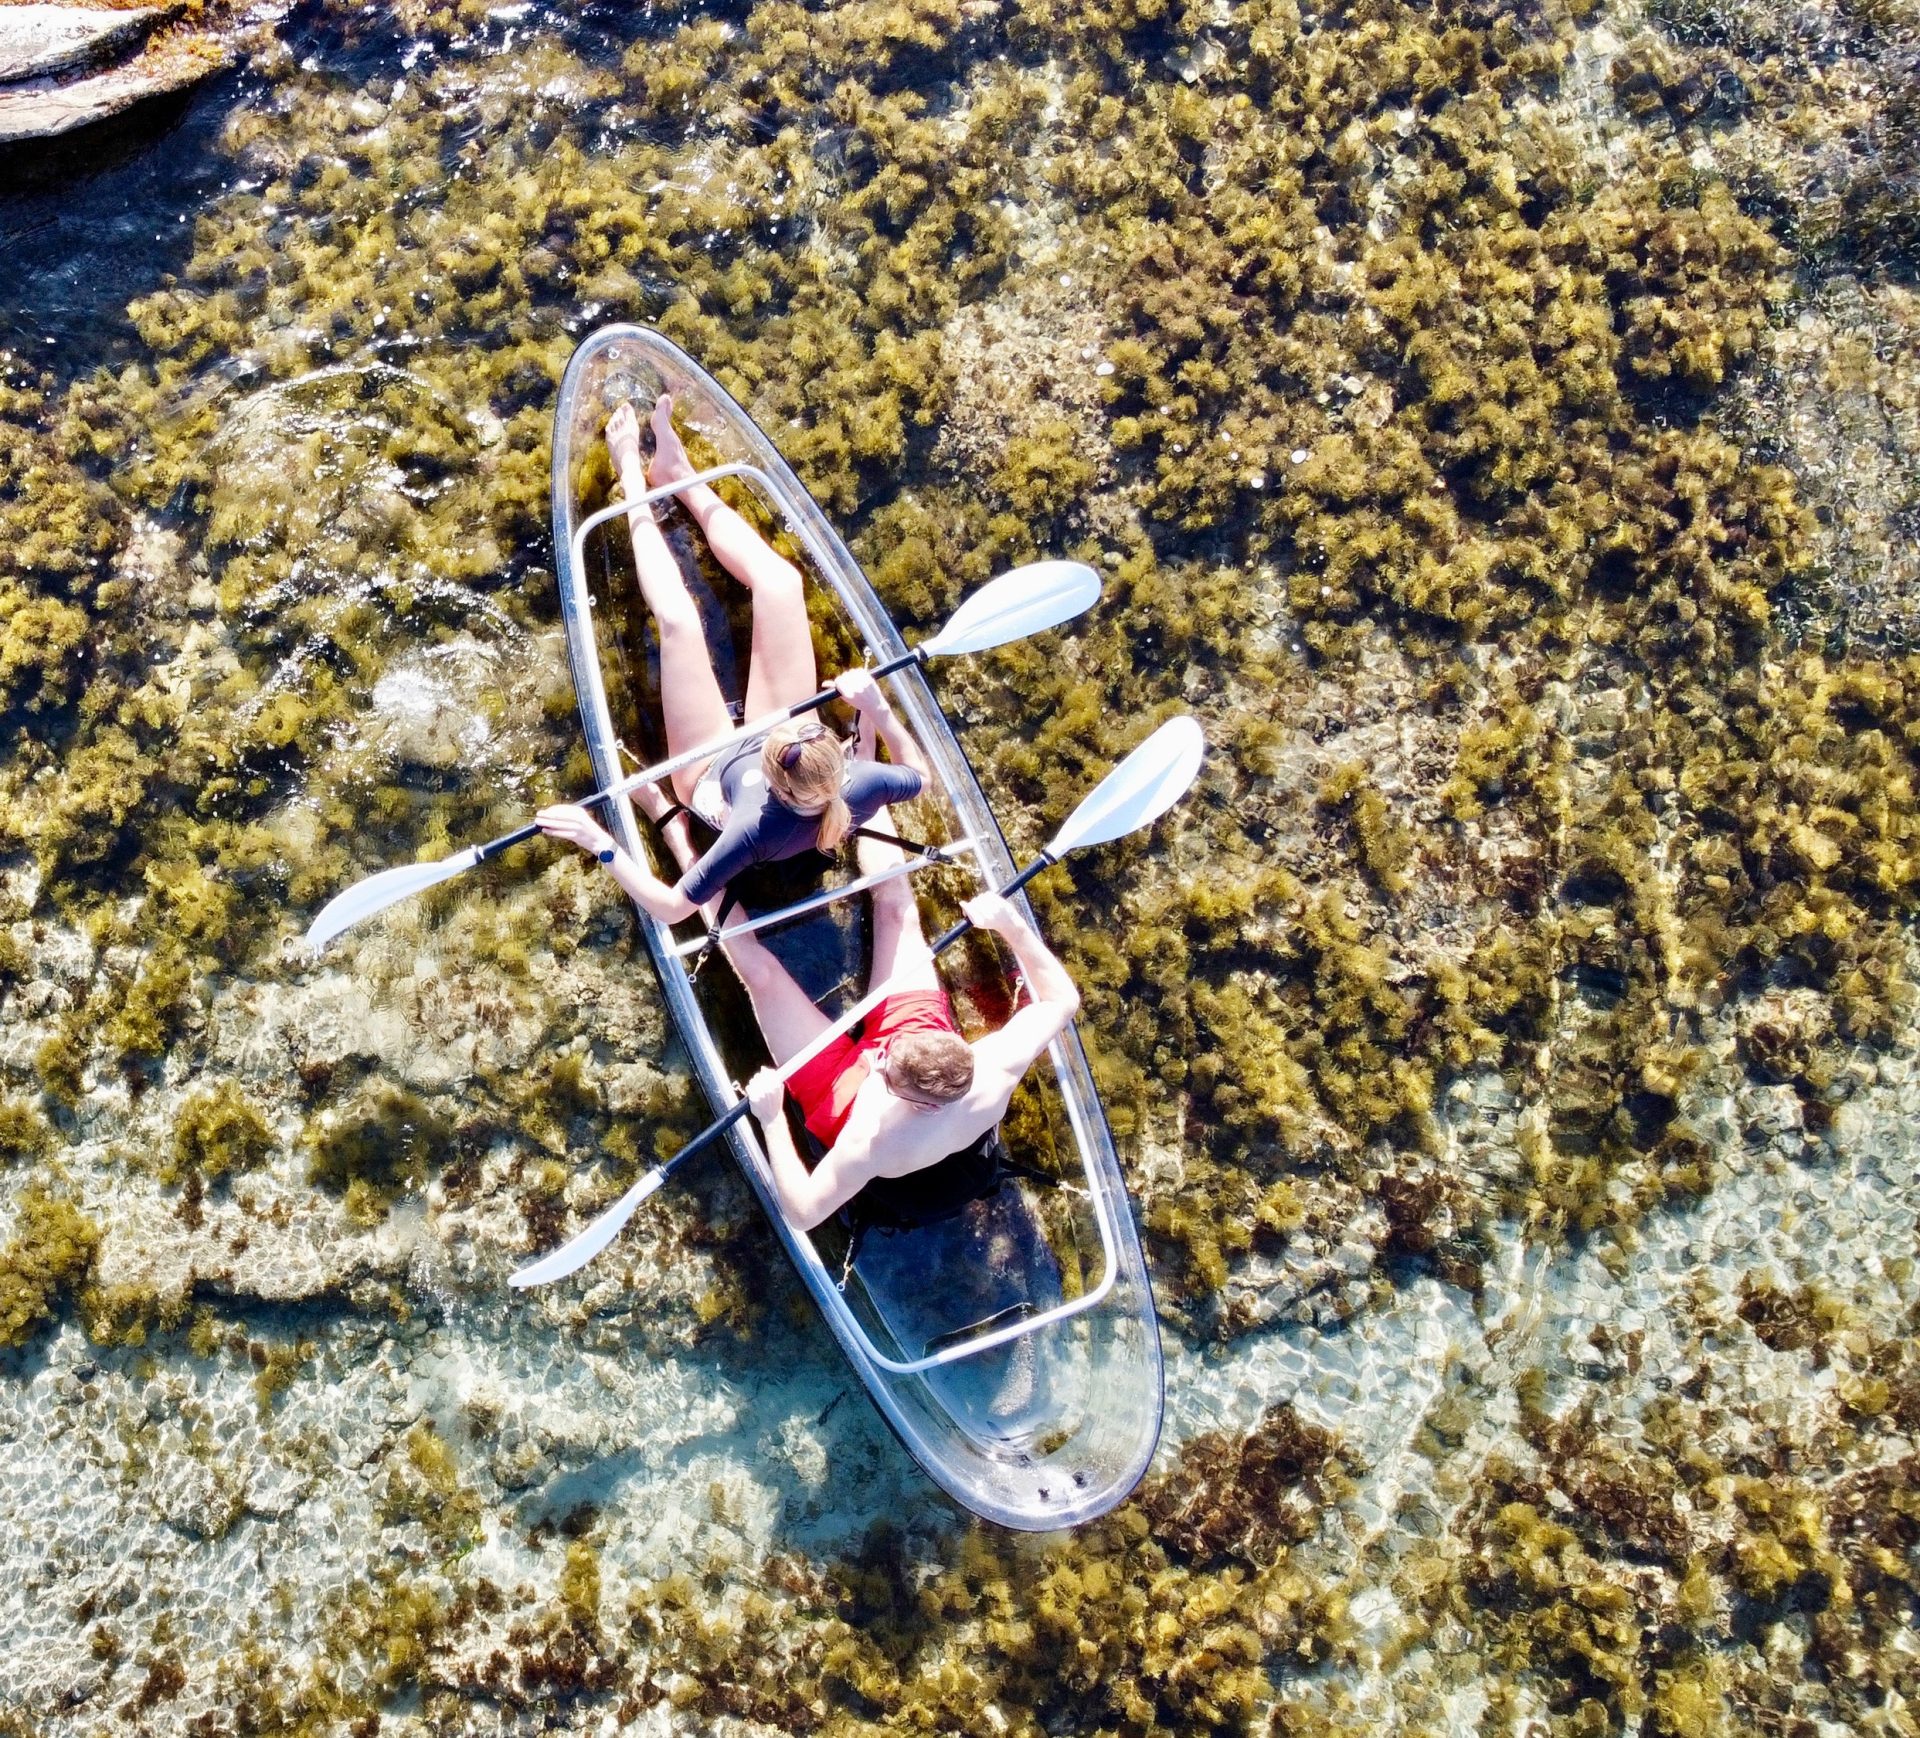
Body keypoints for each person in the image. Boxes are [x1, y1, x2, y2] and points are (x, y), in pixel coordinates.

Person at [537, 394, 929, 917]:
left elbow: (673, 907)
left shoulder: (752, 828)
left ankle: (631, 472)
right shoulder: (859, 781)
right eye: (811, 727)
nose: (799, 723)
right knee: (781, 584)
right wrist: (877, 709)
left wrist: (597, 841)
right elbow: (919, 776)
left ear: (775, 782)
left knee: (678, 619)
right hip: (782, 769)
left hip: (710, 773)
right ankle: (678, 472)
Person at [636, 782, 1082, 1230]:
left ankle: (677, 834)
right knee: (898, 913)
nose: (873, 1058)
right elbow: (1064, 1000)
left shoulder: (870, 1142)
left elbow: (803, 1214)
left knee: (761, 975)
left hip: (843, 1103)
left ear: (920, 1104)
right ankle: (860, 786)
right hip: (916, 1035)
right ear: (958, 1047)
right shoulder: (996, 1061)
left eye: (885, 1074)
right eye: (885, 1056)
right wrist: (1010, 925)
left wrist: (772, 1119)